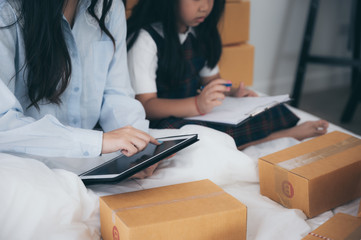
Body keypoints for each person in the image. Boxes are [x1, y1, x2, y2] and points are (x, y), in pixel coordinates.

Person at [126, 0, 329, 150]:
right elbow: (146, 105)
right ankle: (283, 135)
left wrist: (232, 92)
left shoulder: (199, 33)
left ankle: (268, 134)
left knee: (268, 109)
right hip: (165, 118)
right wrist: (197, 105)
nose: (205, 6)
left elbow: (212, 81)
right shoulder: (146, 39)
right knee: (199, 139)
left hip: (196, 110)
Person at [0, 0, 160, 178]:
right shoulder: (6, 11)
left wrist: (139, 146)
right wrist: (97, 142)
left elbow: (116, 93)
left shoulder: (109, 7)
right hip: (26, 165)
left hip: (92, 158)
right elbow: (3, 124)